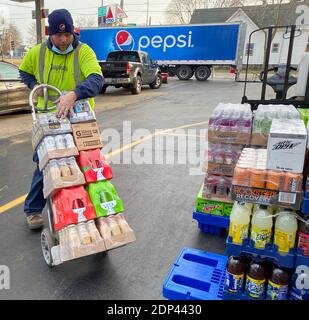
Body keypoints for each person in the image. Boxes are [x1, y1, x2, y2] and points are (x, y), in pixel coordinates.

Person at [19, 9, 104, 229]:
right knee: (46, 164)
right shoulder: (37, 52)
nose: (64, 39)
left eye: (67, 35)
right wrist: (33, 87)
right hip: (47, 118)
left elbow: (96, 79)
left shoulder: (84, 52)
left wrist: (74, 94)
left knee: (85, 163)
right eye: (59, 35)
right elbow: (25, 72)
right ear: (51, 34)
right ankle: (33, 210)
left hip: (79, 119)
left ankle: (89, 207)